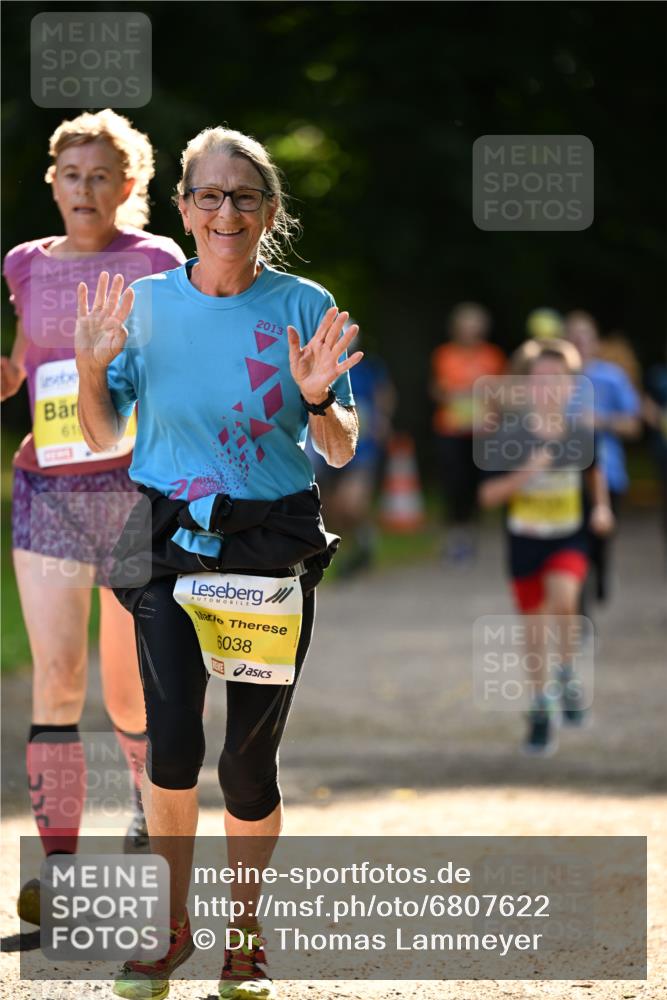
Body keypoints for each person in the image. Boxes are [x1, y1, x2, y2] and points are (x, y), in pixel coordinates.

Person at [74, 126, 361, 1000]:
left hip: (269, 545)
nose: (225, 211)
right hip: (166, 541)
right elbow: (102, 433)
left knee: (245, 762)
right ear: (183, 208)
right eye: (209, 195)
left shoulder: (304, 303)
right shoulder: (145, 303)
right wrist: (91, 369)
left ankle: (244, 935)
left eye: (243, 197)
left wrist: (318, 398)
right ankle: (170, 929)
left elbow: (340, 448)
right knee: (170, 744)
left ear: (268, 211)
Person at [1, 110, 186, 925]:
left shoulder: (156, 260)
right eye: (71, 175)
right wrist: (9, 375)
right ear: (54, 183)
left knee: (127, 692)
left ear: (128, 185)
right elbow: (26, 359)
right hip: (47, 489)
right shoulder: (23, 263)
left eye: (101, 175)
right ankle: (57, 869)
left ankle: (145, 816)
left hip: (127, 490)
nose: (85, 189)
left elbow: (176, 366)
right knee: (57, 677)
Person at [478, 338, 614, 755]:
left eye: (557, 378)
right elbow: (488, 496)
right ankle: (541, 706)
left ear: (572, 386)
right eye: (539, 379)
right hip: (525, 542)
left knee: (565, 597)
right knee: (535, 630)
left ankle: (567, 670)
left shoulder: (579, 433)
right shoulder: (509, 436)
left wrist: (602, 508)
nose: (548, 387)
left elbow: (594, 474)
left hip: (569, 536)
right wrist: (525, 474)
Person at [564, 311, 641, 603]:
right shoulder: (553, 380)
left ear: (596, 342)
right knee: (574, 543)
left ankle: (601, 570)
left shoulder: (612, 377)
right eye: (573, 339)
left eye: (585, 338)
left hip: (608, 470)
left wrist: (601, 421)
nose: (580, 345)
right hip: (567, 473)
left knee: (600, 537)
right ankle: (579, 603)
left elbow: (633, 425)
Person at [308, 319, 395, 576]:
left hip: (361, 446)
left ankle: (365, 539)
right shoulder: (318, 369)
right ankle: (355, 547)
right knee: (329, 507)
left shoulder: (368, 368)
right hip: (325, 446)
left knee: (351, 503)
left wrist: (382, 419)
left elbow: (384, 395)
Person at [430, 302, 506, 564]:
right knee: (455, 482)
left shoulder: (493, 356)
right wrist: (453, 395)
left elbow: (501, 392)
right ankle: (456, 532)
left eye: (474, 326)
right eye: (464, 326)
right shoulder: (444, 355)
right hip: (451, 429)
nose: (469, 331)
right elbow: (437, 389)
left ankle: (471, 531)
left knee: (478, 484)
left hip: (483, 431)